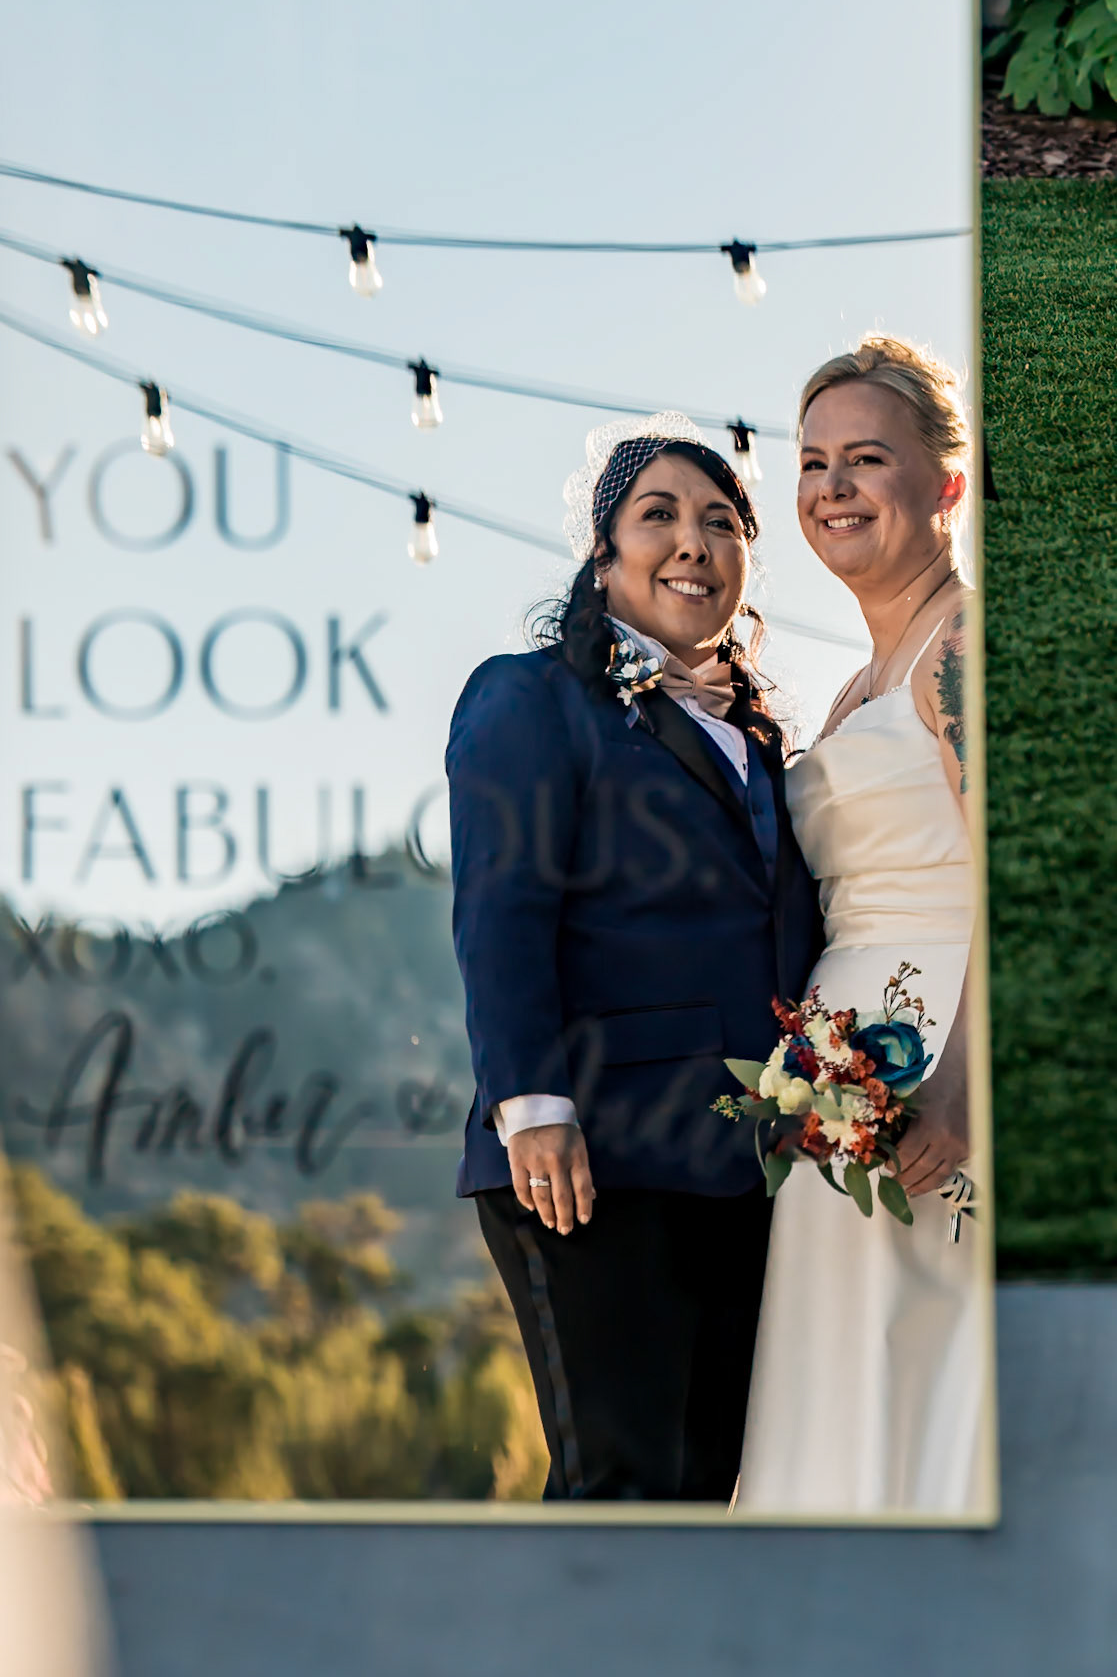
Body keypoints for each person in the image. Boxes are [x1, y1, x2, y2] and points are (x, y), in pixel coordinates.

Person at [446, 412, 822, 1502]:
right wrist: (533, 1103)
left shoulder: (759, 739)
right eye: (657, 515)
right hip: (589, 1154)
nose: (692, 541)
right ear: (603, 557)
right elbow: (502, 906)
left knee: (711, 1483)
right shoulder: (530, 696)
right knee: (621, 1480)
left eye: (720, 520)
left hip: (742, 1164)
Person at [740, 334, 987, 1515]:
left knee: (932, 1381)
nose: (832, 486)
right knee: (841, 1383)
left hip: (938, 1057)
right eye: (813, 461)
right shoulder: (851, 685)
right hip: (831, 1091)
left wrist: (962, 1081)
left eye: (867, 458)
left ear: (945, 482)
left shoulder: (963, 650)